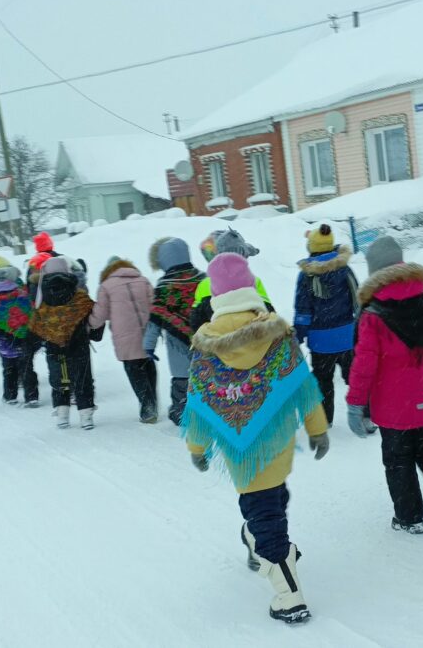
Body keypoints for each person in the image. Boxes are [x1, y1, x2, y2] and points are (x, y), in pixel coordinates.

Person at [181, 252, 329, 625]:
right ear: (250, 287)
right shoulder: (278, 334)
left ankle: (288, 593)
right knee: (270, 499)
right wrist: (318, 429)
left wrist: (197, 447)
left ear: (215, 295)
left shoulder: (205, 346)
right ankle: (264, 542)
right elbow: (303, 386)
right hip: (276, 438)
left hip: (238, 444)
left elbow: (198, 402)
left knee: (263, 509)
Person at [345, 236, 423, 534]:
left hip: (390, 400)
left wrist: (356, 402)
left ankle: (410, 517)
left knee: (398, 456)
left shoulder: (372, 315)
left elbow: (364, 364)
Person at [294, 224, 359, 426]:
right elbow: (357, 297)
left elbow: (303, 310)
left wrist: (299, 335)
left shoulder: (307, 275)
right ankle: (365, 412)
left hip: (320, 342)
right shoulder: (344, 269)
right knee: (356, 378)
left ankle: (325, 419)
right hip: (347, 337)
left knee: (323, 382)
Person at [31, 257, 101, 430]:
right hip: (79, 344)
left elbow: (35, 324)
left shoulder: (42, 298)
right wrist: (94, 333)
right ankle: (86, 417)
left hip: (54, 347)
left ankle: (62, 416)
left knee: (60, 379)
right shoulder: (78, 295)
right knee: (82, 378)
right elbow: (93, 311)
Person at [144, 237, 205, 425]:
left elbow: (155, 319)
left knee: (182, 378)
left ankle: (182, 411)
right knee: (206, 374)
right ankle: (208, 409)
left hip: (177, 345)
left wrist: (148, 345)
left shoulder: (164, 286)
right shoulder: (204, 278)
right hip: (207, 338)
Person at [91, 257, 158, 423]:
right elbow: (154, 304)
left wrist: (88, 325)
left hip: (125, 334)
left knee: (133, 367)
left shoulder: (106, 286)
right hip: (147, 331)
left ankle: (148, 406)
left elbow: (101, 314)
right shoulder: (143, 281)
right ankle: (152, 403)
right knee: (147, 363)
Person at [0, 255, 41, 407]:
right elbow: (32, 313)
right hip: (24, 338)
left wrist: (1, 328)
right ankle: (32, 396)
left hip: (4, 340)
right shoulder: (22, 295)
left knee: (9, 368)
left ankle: (10, 395)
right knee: (27, 367)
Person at [192, 228, 272, 330]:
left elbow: (196, 322)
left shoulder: (204, 284)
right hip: (254, 335)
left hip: (221, 338)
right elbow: (268, 311)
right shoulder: (254, 281)